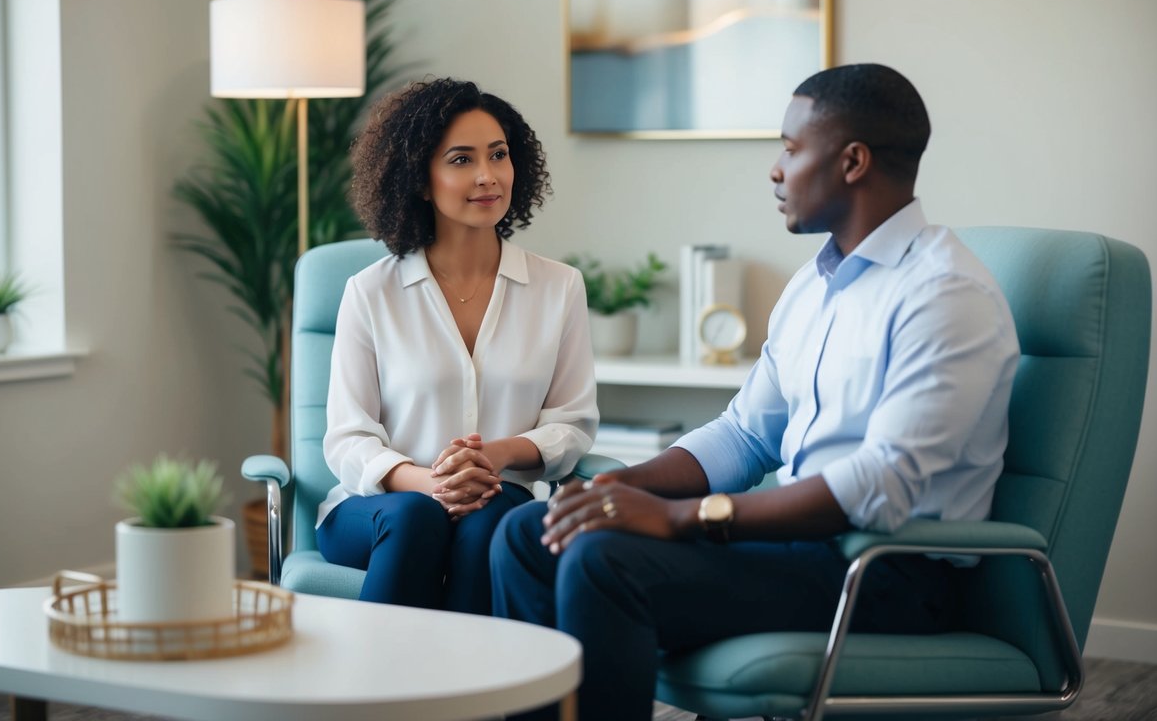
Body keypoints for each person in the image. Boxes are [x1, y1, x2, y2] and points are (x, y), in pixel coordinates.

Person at [490, 63, 1020, 720]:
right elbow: (744, 434)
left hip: (884, 574)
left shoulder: (945, 295)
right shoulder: (811, 286)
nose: (775, 169)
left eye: (792, 150)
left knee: (604, 561)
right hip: (791, 551)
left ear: (852, 161)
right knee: (529, 532)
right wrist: (619, 489)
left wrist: (683, 516)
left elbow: (882, 485)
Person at [316, 77, 598, 615]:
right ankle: (378, 693)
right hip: (379, 507)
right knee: (418, 516)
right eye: (462, 160)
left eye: (498, 155)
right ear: (421, 180)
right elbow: (348, 438)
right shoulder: (371, 291)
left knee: (491, 523)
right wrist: (429, 483)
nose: (488, 176)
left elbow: (572, 423)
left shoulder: (559, 287)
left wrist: (495, 456)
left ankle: (467, 695)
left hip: (498, 495)